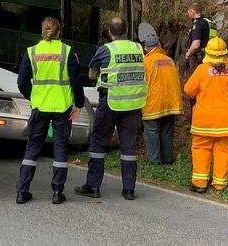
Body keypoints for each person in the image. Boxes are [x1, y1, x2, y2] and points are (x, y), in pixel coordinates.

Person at [75, 17, 147, 200]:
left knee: (99, 143)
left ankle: (93, 186)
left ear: (109, 32)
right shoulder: (139, 48)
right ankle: (129, 190)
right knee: (128, 147)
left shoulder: (105, 50)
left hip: (111, 102)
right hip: (133, 104)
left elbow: (91, 74)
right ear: (127, 30)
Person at [15, 17, 85, 205]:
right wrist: (78, 104)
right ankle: (57, 192)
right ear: (59, 31)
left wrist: (33, 96)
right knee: (60, 148)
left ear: (42, 30)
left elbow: (22, 81)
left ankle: (22, 191)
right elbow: (76, 81)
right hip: (62, 107)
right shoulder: (67, 51)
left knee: (33, 147)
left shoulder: (32, 51)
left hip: (40, 106)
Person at [184, 37, 228, 193]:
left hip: (204, 121)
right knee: (224, 151)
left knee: (201, 149)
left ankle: (200, 184)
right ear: (225, 53)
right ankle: (219, 184)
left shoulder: (201, 70)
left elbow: (189, 90)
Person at [138, 23, 183, 165]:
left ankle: (155, 161)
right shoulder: (169, 60)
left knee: (151, 132)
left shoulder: (146, 62)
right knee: (166, 132)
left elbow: (142, 84)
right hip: (171, 103)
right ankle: (167, 159)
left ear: (146, 47)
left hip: (153, 103)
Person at [184, 3, 217, 73]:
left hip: (200, 59)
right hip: (213, 56)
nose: (188, 15)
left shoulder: (197, 24)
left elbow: (196, 45)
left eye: (188, 13)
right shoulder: (209, 21)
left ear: (192, 12)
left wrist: (188, 54)